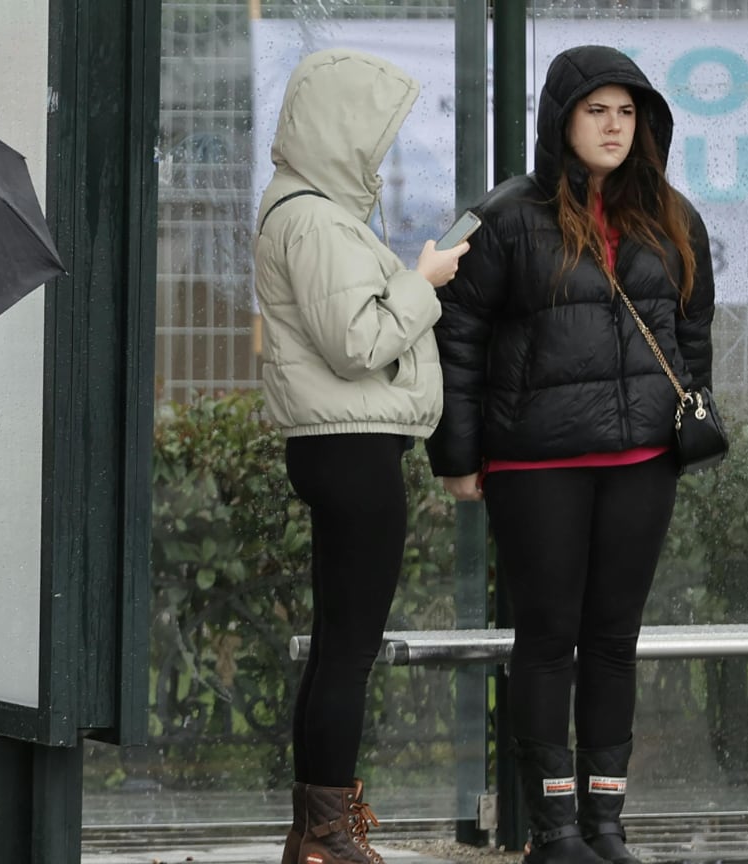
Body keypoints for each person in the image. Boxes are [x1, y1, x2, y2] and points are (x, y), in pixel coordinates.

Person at [426, 45, 715, 864]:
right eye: (597, 112)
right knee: (548, 638)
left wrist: (685, 420)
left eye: (627, 112)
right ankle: (553, 831)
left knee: (615, 640)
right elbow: (457, 337)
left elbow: (691, 329)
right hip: (537, 464)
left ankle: (605, 825)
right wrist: (457, 454)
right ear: (562, 119)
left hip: (641, 463)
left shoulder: (672, 215)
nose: (614, 127)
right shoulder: (503, 217)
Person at [255, 48, 468, 864]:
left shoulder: (308, 210)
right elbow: (358, 342)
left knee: (337, 648)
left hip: (339, 444)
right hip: (350, 448)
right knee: (349, 652)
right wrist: (425, 281)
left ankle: (315, 834)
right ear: (340, 128)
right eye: (374, 132)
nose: (381, 151)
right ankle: (329, 837)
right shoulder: (313, 218)